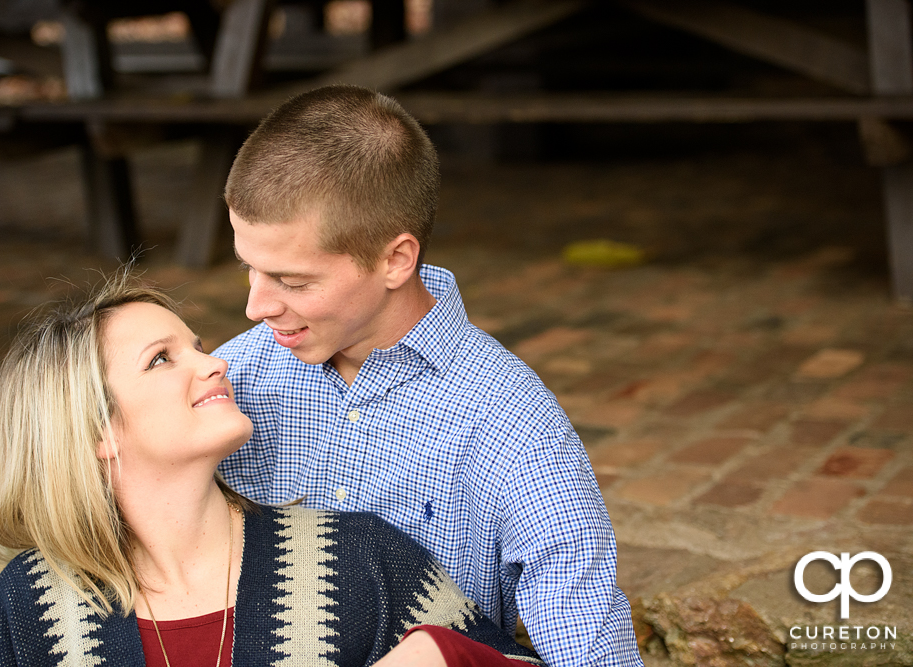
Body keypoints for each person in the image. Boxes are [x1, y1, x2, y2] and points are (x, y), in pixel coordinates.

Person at [215, 85, 642, 667]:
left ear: (395, 260)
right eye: (249, 270)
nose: (257, 307)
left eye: (292, 281)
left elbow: (587, 640)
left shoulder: (513, 424)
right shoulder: (228, 378)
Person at [0, 275, 543, 667]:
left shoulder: (354, 558)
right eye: (162, 359)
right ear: (98, 431)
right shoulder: (33, 604)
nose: (216, 362)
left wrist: (442, 654)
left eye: (197, 345)